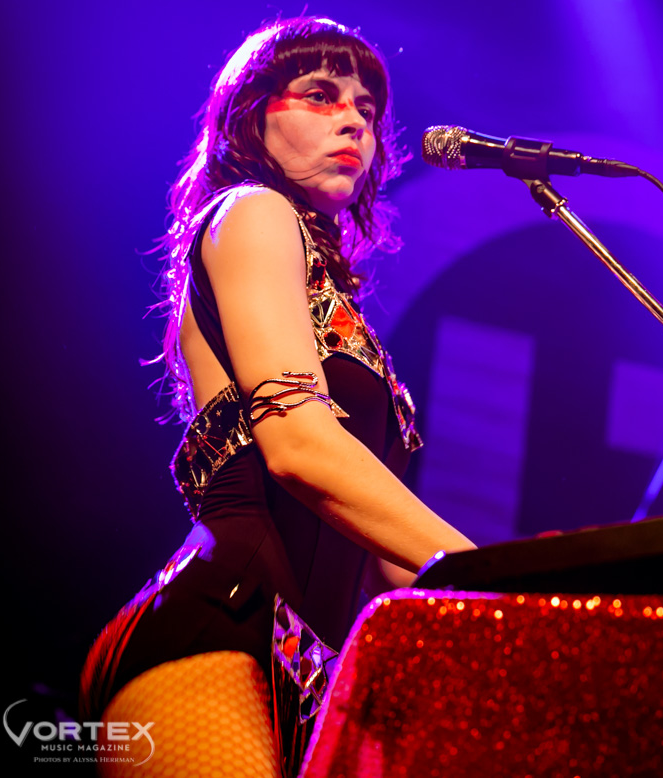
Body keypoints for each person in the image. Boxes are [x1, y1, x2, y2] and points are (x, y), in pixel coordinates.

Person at [81, 16, 474, 777]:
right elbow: (296, 446)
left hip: (302, 664)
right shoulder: (253, 213)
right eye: (321, 94)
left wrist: (503, 607)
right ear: (251, 117)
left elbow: (385, 563)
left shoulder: (331, 298)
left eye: (366, 107)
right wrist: (475, 570)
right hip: (216, 622)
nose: (355, 119)